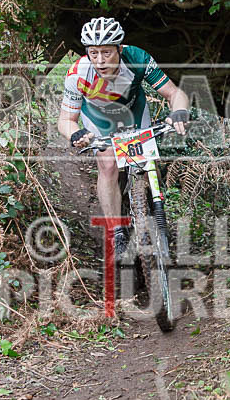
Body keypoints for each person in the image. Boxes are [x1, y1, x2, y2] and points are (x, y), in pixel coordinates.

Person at [58, 17, 190, 254]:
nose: (100, 60)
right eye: (93, 53)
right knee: (108, 164)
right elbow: (66, 121)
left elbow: (173, 93)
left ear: (119, 48)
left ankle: (153, 206)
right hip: (98, 119)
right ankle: (116, 230)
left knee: (149, 162)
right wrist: (76, 133)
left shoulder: (137, 59)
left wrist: (179, 111)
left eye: (107, 52)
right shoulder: (77, 74)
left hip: (134, 112)